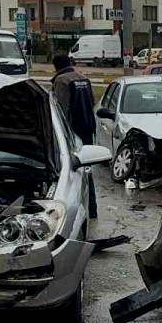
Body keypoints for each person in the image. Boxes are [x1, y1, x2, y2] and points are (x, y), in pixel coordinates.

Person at [52, 53, 99, 218]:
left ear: (56, 67)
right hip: (87, 128)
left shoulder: (61, 81)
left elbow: (61, 109)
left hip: (73, 132)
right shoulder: (83, 78)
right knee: (87, 168)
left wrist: (60, 134)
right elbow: (92, 102)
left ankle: (77, 212)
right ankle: (92, 209)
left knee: (72, 173)